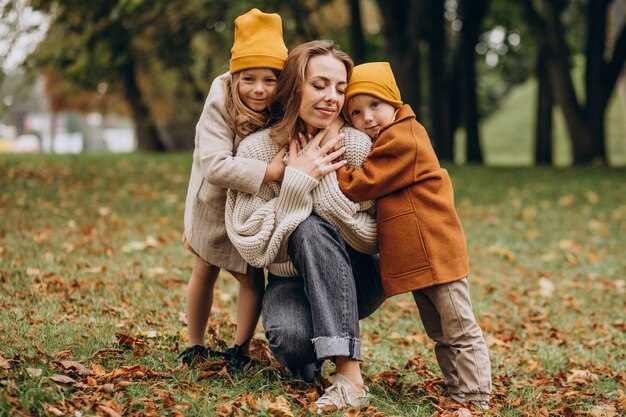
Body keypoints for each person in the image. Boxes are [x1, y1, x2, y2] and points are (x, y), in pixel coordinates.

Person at [225, 40, 385, 412]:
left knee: (310, 229)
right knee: (292, 343)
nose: (332, 97)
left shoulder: (356, 146)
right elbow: (250, 242)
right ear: (294, 85)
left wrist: (321, 186)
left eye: (340, 88)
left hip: (357, 276)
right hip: (291, 279)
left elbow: (377, 236)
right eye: (319, 85)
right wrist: (295, 185)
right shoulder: (257, 150)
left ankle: (349, 375)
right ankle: (315, 355)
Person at [337, 62, 493, 409]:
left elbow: (366, 183)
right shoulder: (389, 137)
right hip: (421, 258)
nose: (368, 118)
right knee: (439, 330)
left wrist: (337, 169)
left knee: (459, 327)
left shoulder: (404, 138)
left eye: (375, 105)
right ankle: (456, 387)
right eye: (357, 112)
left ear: (394, 101)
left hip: (437, 252)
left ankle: (475, 395)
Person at [179, 8, 289, 369]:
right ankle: (194, 344)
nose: (259, 89)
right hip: (213, 204)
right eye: (249, 79)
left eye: (270, 80)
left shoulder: (283, 104)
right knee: (205, 269)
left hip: (250, 209)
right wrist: (269, 172)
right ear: (235, 76)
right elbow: (213, 164)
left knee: (250, 275)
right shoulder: (220, 100)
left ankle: (239, 349)